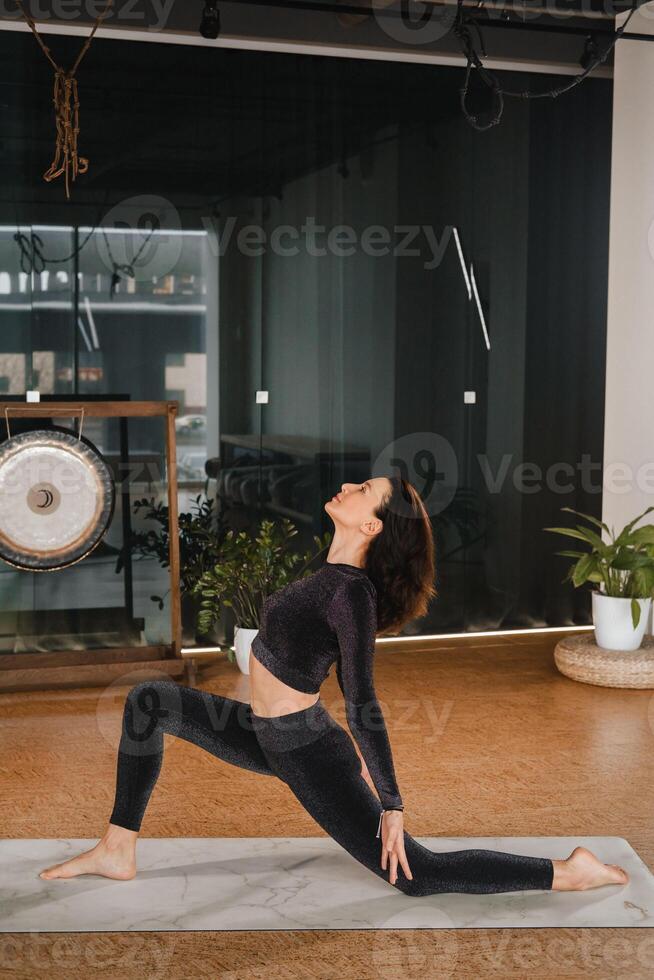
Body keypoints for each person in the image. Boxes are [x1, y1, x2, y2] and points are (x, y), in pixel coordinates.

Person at [40, 477, 629, 894]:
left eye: (362, 491)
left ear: (371, 524)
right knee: (150, 701)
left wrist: (392, 803)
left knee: (417, 875)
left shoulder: (351, 595)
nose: (347, 488)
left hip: (305, 750)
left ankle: (566, 871)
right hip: (263, 731)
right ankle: (118, 848)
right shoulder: (331, 574)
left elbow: (363, 698)